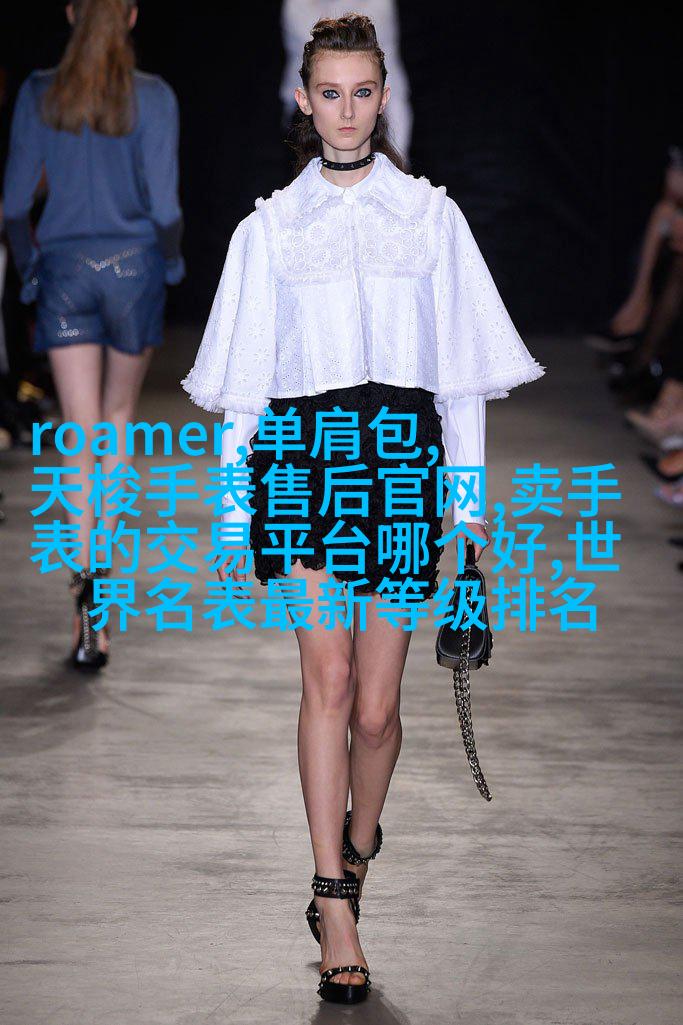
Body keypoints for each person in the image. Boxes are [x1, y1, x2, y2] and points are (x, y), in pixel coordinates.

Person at [182, 13, 544, 1005]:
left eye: (361, 92)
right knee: (330, 679)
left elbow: (459, 377)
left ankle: (358, 839)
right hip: (303, 460)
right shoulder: (268, 228)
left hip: (398, 459)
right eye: (329, 93)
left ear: (384, 99)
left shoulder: (430, 218)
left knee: (379, 712)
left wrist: (466, 505)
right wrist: (231, 511)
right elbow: (244, 389)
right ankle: (333, 899)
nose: (345, 111)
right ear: (303, 101)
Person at [3, 0, 184, 671]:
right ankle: (103, 605)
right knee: (116, 424)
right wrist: (170, 264)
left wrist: (32, 271)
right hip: (133, 270)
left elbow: (13, 205)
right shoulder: (154, 97)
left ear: (71, 11)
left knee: (79, 437)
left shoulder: (38, 93)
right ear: (132, 16)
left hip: (65, 273)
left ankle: (86, 605)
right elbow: (165, 208)